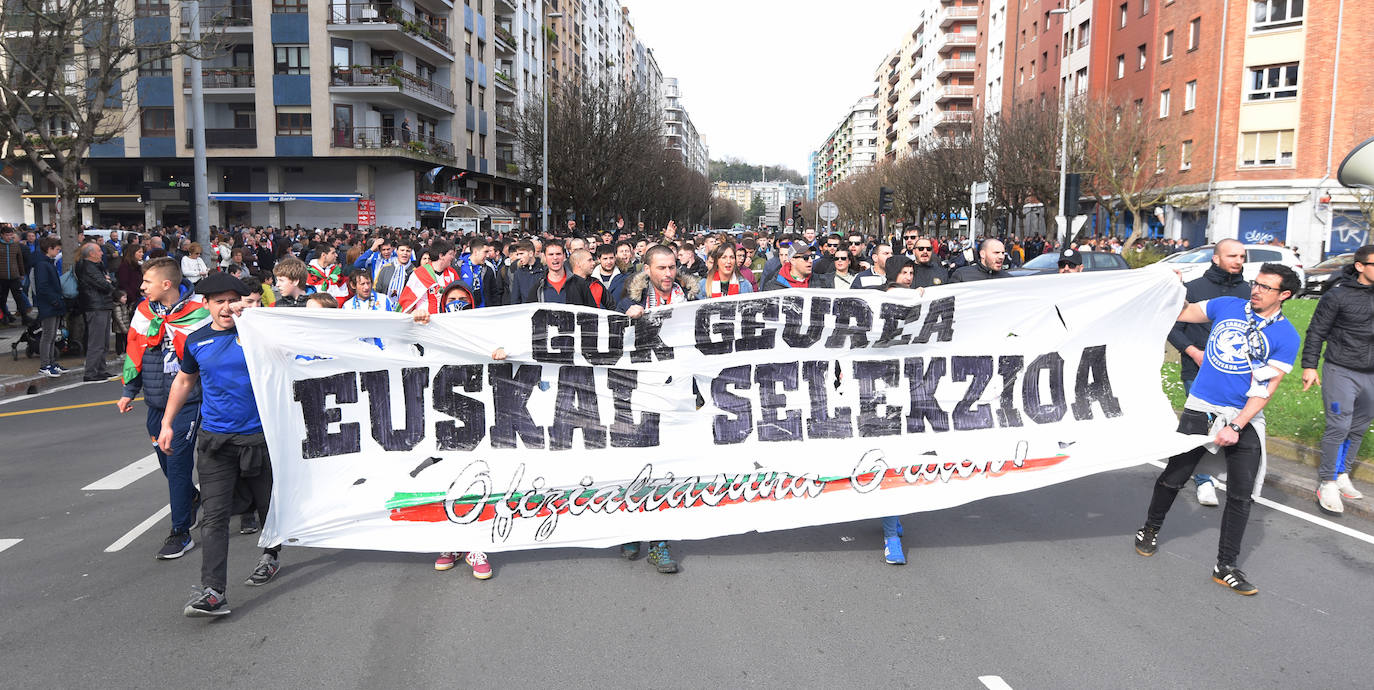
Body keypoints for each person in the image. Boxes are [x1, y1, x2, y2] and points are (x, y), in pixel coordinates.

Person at [1134, 264, 1302, 596]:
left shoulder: (1286, 336)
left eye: (1266, 288)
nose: (1256, 290)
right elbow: (1182, 313)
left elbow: (1265, 388)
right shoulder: (1227, 305)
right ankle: (1149, 529)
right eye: (1256, 284)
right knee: (1174, 476)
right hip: (1201, 406)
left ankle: (1225, 567)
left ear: (1284, 295)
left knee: (1241, 495)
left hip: (1245, 415)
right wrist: (1170, 287)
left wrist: (1237, 424)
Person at [163, 273, 281, 617]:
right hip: (215, 442)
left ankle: (271, 554)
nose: (227, 307)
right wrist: (168, 423)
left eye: (233, 300)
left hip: (259, 439)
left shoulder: (260, 334)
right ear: (207, 305)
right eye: (219, 301)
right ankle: (214, 591)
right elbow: (185, 380)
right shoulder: (196, 341)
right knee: (214, 518)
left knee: (268, 508)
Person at [118, 258, 210, 559]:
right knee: (166, 462)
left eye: (147, 282)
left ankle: (180, 532)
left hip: (188, 400)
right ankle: (192, 499)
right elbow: (135, 351)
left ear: (166, 284)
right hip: (156, 401)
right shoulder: (143, 312)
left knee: (179, 460)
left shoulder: (199, 310)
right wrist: (129, 390)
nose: (142, 287)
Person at [617, 244, 688, 573]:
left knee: (666, 469)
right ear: (647, 269)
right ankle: (631, 532)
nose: (668, 274)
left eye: (672, 267)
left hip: (674, 394)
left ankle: (660, 544)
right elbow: (607, 319)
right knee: (634, 467)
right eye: (661, 268)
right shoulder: (630, 294)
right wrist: (626, 313)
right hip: (636, 392)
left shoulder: (687, 298)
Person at [1166, 239, 1249, 507]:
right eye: (1232, 255)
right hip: (1198, 370)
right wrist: (1193, 352)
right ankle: (1202, 480)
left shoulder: (1249, 292)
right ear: (1216, 258)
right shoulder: (1194, 289)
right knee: (1203, 427)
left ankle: (1223, 476)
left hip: (1236, 375)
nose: (1238, 260)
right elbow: (1172, 325)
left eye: (1242, 256)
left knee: (1229, 427)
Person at [1300, 244, 1374, 515]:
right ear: (1360, 267)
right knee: (1339, 425)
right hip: (1340, 369)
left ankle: (1343, 474)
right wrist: (1309, 366)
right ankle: (1328, 481)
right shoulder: (1338, 296)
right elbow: (1316, 332)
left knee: (1358, 427)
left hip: (1372, 374)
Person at [76, 242, 116, 381]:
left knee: (104, 341)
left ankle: (101, 369)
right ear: (91, 253)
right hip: (95, 305)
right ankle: (91, 372)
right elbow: (104, 285)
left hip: (102, 305)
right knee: (96, 341)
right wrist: (108, 282)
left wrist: (109, 282)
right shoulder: (87, 267)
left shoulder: (96, 266)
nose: (102, 253)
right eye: (99, 251)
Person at [32, 237, 68, 378]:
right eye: (57, 249)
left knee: (53, 335)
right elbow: (43, 287)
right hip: (49, 304)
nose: (58, 252)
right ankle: (45, 364)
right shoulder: (42, 264)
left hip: (53, 304)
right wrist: (55, 301)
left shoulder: (47, 263)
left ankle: (51, 362)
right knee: (48, 335)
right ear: (49, 249)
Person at [524, 241, 597, 306]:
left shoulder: (580, 284)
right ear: (545, 257)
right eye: (551, 254)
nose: (555, 257)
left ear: (564, 256)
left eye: (558, 254)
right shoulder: (538, 288)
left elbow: (593, 313)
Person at [398, 240, 458, 314]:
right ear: (441, 255)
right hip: (424, 322)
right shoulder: (419, 273)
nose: (453, 257)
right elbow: (407, 301)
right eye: (450, 254)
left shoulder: (452, 273)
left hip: (444, 321)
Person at [763, 244, 834, 290]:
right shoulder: (773, 286)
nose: (810, 260)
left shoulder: (822, 283)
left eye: (812, 256)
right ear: (792, 260)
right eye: (805, 257)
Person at [0, 225, 30, 326]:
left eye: (11, 235)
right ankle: (5, 316)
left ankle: (25, 317)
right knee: (2, 298)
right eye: (7, 235)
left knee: (19, 298)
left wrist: (22, 273)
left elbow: (19, 260)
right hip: (2, 278)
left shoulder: (16, 245)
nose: (9, 237)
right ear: (2, 235)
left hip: (14, 277)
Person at [375, 242, 414, 307]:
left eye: (408, 251)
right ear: (397, 251)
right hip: (384, 308)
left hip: (404, 310)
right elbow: (376, 289)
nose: (405, 253)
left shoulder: (415, 272)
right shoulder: (385, 268)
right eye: (402, 250)